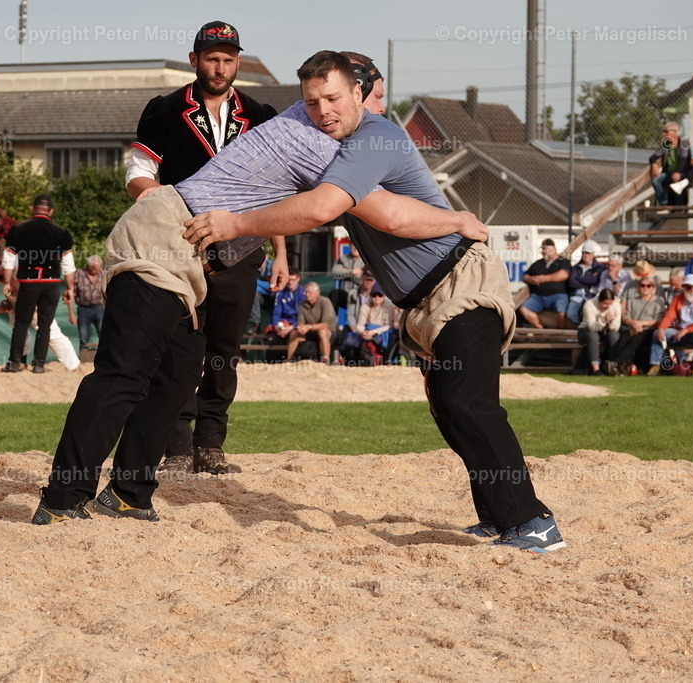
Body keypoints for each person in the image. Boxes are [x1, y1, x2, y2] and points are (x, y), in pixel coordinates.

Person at [32, 50, 493, 529]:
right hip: (162, 238)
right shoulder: (318, 140)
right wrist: (457, 219)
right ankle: (64, 496)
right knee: (123, 374)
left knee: (174, 379)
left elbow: (279, 197)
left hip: (196, 257)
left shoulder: (326, 129)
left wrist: (277, 250)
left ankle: (128, 494)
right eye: (318, 100)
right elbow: (383, 214)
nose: (333, 110)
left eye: (348, 99)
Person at [183, 51, 564, 552]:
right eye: (313, 102)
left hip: (461, 283)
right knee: (451, 408)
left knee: (465, 402)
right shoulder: (336, 146)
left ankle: (532, 521)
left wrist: (233, 224)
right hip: (427, 298)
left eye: (335, 98)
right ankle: (498, 516)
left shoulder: (376, 136)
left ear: (359, 95)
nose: (323, 111)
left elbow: (344, 211)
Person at [126, 20, 287, 475]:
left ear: (238, 62)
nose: (220, 67)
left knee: (225, 349)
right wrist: (167, 213)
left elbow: (274, 191)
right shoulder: (163, 109)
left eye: (229, 59)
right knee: (180, 347)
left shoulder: (261, 114)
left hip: (242, 247)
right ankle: (176, 444)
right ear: (195, 59)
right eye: (212, 58)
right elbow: (138, 174)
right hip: (181, 248)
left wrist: (281, 252)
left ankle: (211, 443)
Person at [1, 195, 74, 374]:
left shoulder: (18, 230)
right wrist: (70, 288)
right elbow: (68, 264)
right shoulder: (62, 233)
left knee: (21, 323)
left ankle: (14, 363)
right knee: (45, 325)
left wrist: (6, 282)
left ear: (33, 209)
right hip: (51, 284)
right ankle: (39, 364)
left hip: (28, 282)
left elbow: (8, 259)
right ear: (51, 211)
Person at [648, 273, 693, 376]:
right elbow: (669, 316)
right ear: (684, 287)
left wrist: (686, 330)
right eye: (688, 287)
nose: (692, 290)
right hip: (679, 331)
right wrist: (661, 328)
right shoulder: (678, 299)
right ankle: (655, 365)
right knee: (657, 333)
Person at [606, 276, 665, 375]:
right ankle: (612, 363)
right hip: (633, 327)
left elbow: (659, 320)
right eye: (642, 285)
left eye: (648, 286)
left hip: (649, 330)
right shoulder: (633, 300)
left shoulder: (658, 301)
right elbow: (626, 316)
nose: (645, 288)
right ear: (638, 287)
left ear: (653, 287)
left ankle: (615, 363)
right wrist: (633, 324)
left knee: (637, 338)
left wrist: (643, 323)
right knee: (624, 337)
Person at [518, 238, 570, 329]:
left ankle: (561, 332)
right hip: (538, 296)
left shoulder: (562, 261)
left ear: (552, 249)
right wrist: (531, 279)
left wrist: (543, 278)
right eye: (542, 249)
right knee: (524, 309)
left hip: (558, 295)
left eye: (545, 248)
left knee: (561, 312)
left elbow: (563, 275)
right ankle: (542, 329)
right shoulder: (538, 263)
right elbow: (524, 276)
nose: (543, 251)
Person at [287, 282, 336, 363]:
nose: (306, 294)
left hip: (329, 332)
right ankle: (289, 359)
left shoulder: (325, 302)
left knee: (322, 332)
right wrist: (300, 327)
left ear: (317, 292)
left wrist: (309, 327)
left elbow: (325, 325)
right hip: (310, 332)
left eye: (309, 292)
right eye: (305, 292)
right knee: (294, 333)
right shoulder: (302, 304)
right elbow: (300, 321)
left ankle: (325, 359)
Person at [577, 289, 620, 375]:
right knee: (593, 336)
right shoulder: (589, 304)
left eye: (609, 304)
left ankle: (612, 366)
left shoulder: (616, 305)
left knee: (614, 336)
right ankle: (595, 369)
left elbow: (616, 328)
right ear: (599, 301)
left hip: (605, 331)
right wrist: (603, 319)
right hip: (586, 330)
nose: (607, 306)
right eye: (605, 304)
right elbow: (592, 327)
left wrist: (611, 321)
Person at [650, 122, 691, 206]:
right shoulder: (666, 144)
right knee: (656, 179)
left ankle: (679, 207)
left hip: (683, 172)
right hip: (668, 173)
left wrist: (678, 172)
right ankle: (663, 203)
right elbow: (653, 157)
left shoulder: (684, 143)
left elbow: (683, 160)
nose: (664, 134)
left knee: (677, 179)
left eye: (666, 131)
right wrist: (654, 165)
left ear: (675, 132)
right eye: (663, 132)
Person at [565, 240, 605, 325]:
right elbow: (571, 282)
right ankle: (581, 326)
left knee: (592, 313)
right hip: (577, 296)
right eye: (583, 253)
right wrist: (586, 282)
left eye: (588, 253)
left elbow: (595, 280)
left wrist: (579, 278)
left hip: (591, 295)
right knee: (570, 314)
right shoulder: (576, 267)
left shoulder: (599, 267)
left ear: (593, 254)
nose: (585, 255)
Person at [72, 255, 104, 351]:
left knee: (103, 333)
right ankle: (83, 358)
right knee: (83, 335)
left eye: (99, 268)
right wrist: (71, 313)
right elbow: (72, 292)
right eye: (96, 269)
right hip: (83, 309)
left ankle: (105, 357)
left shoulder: (103, 273)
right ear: (89, 267)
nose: (98, 271)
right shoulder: (79, 273)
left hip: (100, 307)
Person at [270, 267, 304, 342]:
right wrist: (276, 326)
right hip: (282, 324)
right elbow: (276, 312)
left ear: (298, 279)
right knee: (272, 339)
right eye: (289, 279)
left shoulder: (303, 293)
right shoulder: (280, 293)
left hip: (296, 325)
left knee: (295, 335)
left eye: (293, 280)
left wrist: (292, 327)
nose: (290, 282)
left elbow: (303, 315)